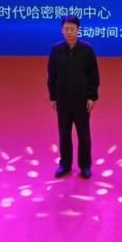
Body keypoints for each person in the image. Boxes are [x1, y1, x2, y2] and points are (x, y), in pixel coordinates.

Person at [47, 15, 100, 179]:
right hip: (63, 99)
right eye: (66, 29)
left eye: (72, 29)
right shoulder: (56, 50)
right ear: (62, 30)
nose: (69, 32)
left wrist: (92, 97)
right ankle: (65, 164)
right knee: (64, 133)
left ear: (78, 30)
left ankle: (85, 165)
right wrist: (53, 97)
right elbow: (51, 75)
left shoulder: (87, 50)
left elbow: (94, 76)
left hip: (82, 100)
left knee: (83, 134)